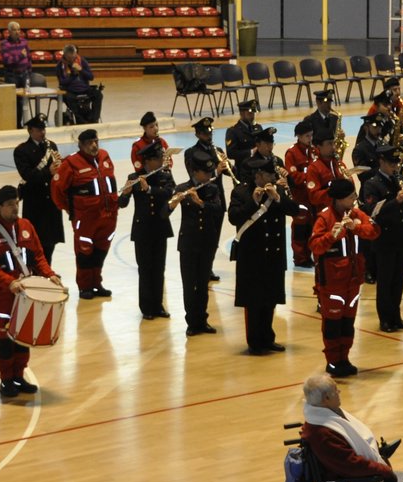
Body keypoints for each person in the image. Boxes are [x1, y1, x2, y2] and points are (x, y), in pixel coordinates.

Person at [0, 185, 61, 400]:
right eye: (10, 204)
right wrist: (9, 282)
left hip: (27, 295)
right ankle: (6, 379)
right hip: (5, 296)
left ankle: (19, 376)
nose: (15, 207)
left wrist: (50, 274)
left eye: (17, 203)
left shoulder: (26, 226)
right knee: (4, 339)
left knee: (23, 337)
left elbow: (38, 256)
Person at [311, 179, 378, 377]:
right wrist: (331, 236)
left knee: (348, 322)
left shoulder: (356, 215)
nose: (355, 199)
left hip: (353, 281)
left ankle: (344, 358)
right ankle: (332, 361)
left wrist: (355, 228)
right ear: (340, 199)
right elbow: (314, 246)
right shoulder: (324, 218)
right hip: (332, 283)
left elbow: (374, 231)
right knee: (332, 324)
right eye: (351, 197)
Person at [229, 156, 296, 354]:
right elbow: (234, 217)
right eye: (269, 174)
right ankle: (255, 341)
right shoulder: (241, 191)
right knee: (254, 302)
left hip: (273, 255)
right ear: (258, 175)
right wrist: (253, 202)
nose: (273, 178)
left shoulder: (277, 190)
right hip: (252, 257)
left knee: (270, 299)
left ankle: (267, 337)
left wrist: (278, 198)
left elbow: (295, 210)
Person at [51, 128, 118, 299]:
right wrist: (71, 209)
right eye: (89, 143)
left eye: (95, 141)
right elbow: (57, 190)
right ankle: (84, 286)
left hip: (109, 217)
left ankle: (97, 283)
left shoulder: (105, 156)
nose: (94, 145)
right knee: (84, 253)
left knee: (100, 251)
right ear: (80, 145)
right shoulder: (71, 163)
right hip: (86, 219)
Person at [119, 140, 176, 321]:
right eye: (158, 159)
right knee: (145, 269)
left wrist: (149, 188)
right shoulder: (135, 176)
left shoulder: (164, 174)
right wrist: (126, 192)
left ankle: (158, 305)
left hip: (159, 228)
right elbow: (121, 203)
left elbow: (169, 193)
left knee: (159, 268)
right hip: (143, 230)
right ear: (149, 161)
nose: (162, 162)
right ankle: (147, 308)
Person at [360, 148, 403, 333]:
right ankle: (385, 319)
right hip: (385, 239)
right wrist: (396, 201)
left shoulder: (398, 179)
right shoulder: (372, 184)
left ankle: (396, 316)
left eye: (397, 163)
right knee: (385, 281)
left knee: (399, 280)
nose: (395, 166)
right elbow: (372, 211)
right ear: (382, 162)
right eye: (392, 163)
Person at [172, 152, 225, 335]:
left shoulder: (212, 189)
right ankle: (191, 323)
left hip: (206, 243)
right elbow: (164, 212)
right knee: (189, 284)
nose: (210, 175)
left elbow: (218, 210)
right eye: (206, 172)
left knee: (203, 284)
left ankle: (202, 320)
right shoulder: (182, 187)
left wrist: (201, 203)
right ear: (195, 172)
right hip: (188, 243)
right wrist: (175, 202)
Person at [11, 116, 65, 264]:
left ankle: (48, 268)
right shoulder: (22, 150)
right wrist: (49, 172)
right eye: (39, 129)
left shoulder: (51, 146)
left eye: (44, 129)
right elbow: (28, 175)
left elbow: (57, 171)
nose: (43, 132)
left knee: (51, 241)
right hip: (35, 201)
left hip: (51, 200)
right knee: (35, 241)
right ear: (30, 131)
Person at [284, 118, 319, 269]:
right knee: (300, 229)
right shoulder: (292, 153)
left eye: (311, 135)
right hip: (300, 197)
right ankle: (300, 258)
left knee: (312, 227)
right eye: (307, 136)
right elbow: (293, 177)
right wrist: (310, 177)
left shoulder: (314, 151)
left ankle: (310, 255)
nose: (310, 139)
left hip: (313, 197)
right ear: (298, 136)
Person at [56, 44, 103, 123]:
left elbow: (91, 77)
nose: (72, 59)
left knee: (98, 94)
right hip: (71, 90)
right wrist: (73, 76)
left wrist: (81, 70)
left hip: (84, 88)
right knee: (69, 98)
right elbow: (62, 82)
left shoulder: (82, 61)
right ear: (65, 55)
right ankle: (80, 120)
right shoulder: (60, 65)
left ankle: (94, 119)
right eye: (69, 58)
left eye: (73, 57)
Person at [224, 99, 260, 173]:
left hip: (258, 168)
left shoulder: (258, 127)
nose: (252, 116)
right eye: (250, 113)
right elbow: (231, 153)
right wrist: (251, 152)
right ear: (242, 113)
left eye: (253, 113)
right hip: (243, 170)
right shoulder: (233, 131)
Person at [0, 21, 31, 89]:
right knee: (14, 98)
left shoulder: (24, 42)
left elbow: (29, 57)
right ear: (9, 32)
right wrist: (20, 56)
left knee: (25, 98)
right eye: (14, 30)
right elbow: (7, 60)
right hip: (12, 76)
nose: (17, 32)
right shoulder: (5, 44)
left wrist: (29, 71)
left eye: (18, 29)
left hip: (25, 74)